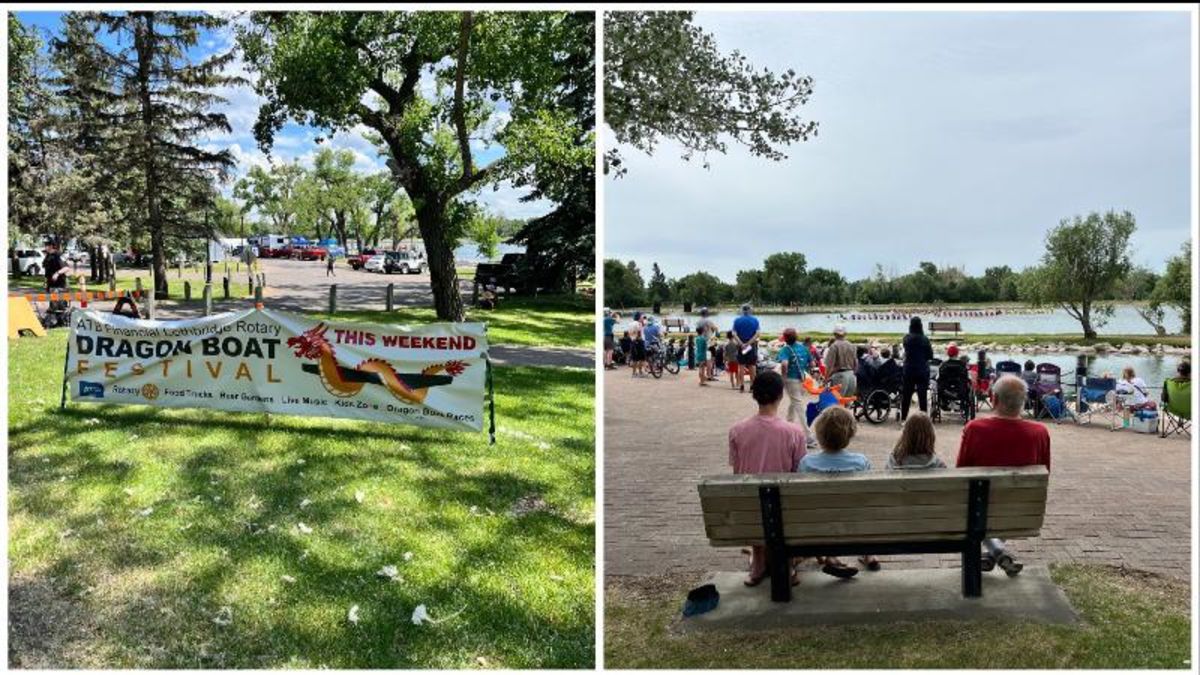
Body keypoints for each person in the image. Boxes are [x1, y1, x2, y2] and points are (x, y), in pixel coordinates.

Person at [956, 375, 1051, 576]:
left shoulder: (974, 429)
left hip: (979, 509)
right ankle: (995, 553)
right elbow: (1045, 473)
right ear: (1023, 402)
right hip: (1021, 510)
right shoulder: (1040, 433)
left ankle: (994, 552)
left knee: (976, 503)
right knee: (1005, 502)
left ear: (994, 399)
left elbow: (961, 472)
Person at [727, 371, 807, 586]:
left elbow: (737, 473)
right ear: (780, 395)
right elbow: (799, 473)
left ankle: (758, 561)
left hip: (751, 509)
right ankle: (786, 561)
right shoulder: (794, 432)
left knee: (753, 498)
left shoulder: (737, 431)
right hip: (783, 508)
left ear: (755, 395)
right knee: (787, 499)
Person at [798, 406, 875, 574]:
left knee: (824, 513)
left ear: (819, 434)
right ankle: (868, 553)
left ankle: (829, 555)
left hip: (816, 526)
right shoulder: (861, 462)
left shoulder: (806, 463)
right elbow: (870, 496)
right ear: (850, 435)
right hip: (855, 526)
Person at [777, 328, 817, 447]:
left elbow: (784, 364)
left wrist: (783, 377)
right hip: (803, 379)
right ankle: (788, 426)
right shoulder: (804, 348)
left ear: (785, 339)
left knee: (798, 405)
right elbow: (812, 364)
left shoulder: (786, 349)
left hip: (791, 379)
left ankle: (808, 437)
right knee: (794, 403)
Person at [900, 316, 933, 421]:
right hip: (922, 369)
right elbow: (930, 355)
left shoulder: (906, 339)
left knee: (906, 395)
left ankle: (904, 417)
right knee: (922, 396)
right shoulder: (925, 339)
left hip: (909, 369)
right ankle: (924, 419)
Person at [732, 304, 761, 392]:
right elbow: (757, 334)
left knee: (741, 365)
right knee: (752, 365)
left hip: (741, 345)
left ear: (742, 310)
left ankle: (742, 385)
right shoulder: (755, 320)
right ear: (750, 310)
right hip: (751, 345)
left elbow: (734, 334)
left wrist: (741, 343)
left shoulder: (737, 320)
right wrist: (749, 343)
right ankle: (752, 386)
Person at [824, 324, 858, 398]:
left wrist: (825, 379)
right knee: (847, 401)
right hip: (851, 375)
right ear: (845, 334)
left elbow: (830, 365)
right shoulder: (852, 345)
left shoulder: (834, 346)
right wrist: (853, 374)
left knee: (837, 400)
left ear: (835, 334)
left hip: (840, 376)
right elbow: (856, 364)